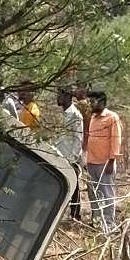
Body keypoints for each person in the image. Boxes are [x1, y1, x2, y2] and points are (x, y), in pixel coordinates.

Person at [85, 89, 122, 232]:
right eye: (90, 101)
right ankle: (97, 222)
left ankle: (109, 224)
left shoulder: (112, 118)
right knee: (93, 193)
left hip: (105, 163)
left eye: (93, 101)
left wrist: (112, 161)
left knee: (106, 193)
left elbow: (116, 140)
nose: (91, 105)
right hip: (91, 162)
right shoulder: (93, 118)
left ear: (102, 102)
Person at [55, 88, 84, 221]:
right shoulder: (61, 115)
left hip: (69, 158)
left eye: (60, 95)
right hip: (58, 155)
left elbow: (78, 139)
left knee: (74, 186)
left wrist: (72, 159)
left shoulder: (75, 115)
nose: (57, 98)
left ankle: (75, 215)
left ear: (67, 96)